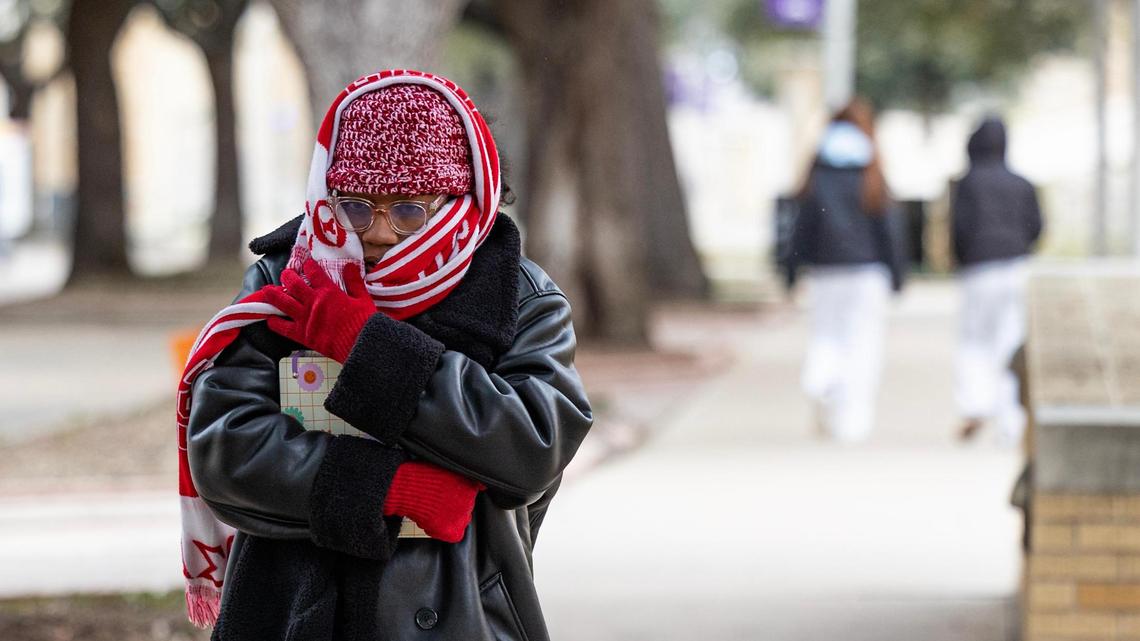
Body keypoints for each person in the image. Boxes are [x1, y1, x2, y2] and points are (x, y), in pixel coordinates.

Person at [176, 70, 593, 641]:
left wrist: (365, 346)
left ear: (458, 195)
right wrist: (391, 489)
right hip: (289, 609)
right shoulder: (287, 278)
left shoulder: (519, 295)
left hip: (462, 612)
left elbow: (530, 446)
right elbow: (225, 449)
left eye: (408, 210)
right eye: (354, 206)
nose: (377, 233)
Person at [784, 97, 907, 444]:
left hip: (824, 271)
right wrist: (897, 274)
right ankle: (853, 422)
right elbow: (889, 229)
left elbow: (800, 227)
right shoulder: (871, 170)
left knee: (825, 335)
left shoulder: (817, 171)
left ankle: (821, 380)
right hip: (867, 272)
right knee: (863, 345)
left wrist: (791, 271)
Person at [951, 116, 1043, 444]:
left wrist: (962, 260)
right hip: (1016, 267)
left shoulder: (968, 183)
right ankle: (1011, 422)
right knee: (1009, 342)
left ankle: (975, 404)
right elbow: (1036, 226)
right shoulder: (1021, 182)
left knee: (974, 340)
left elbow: (958, 229)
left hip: (979, 268)